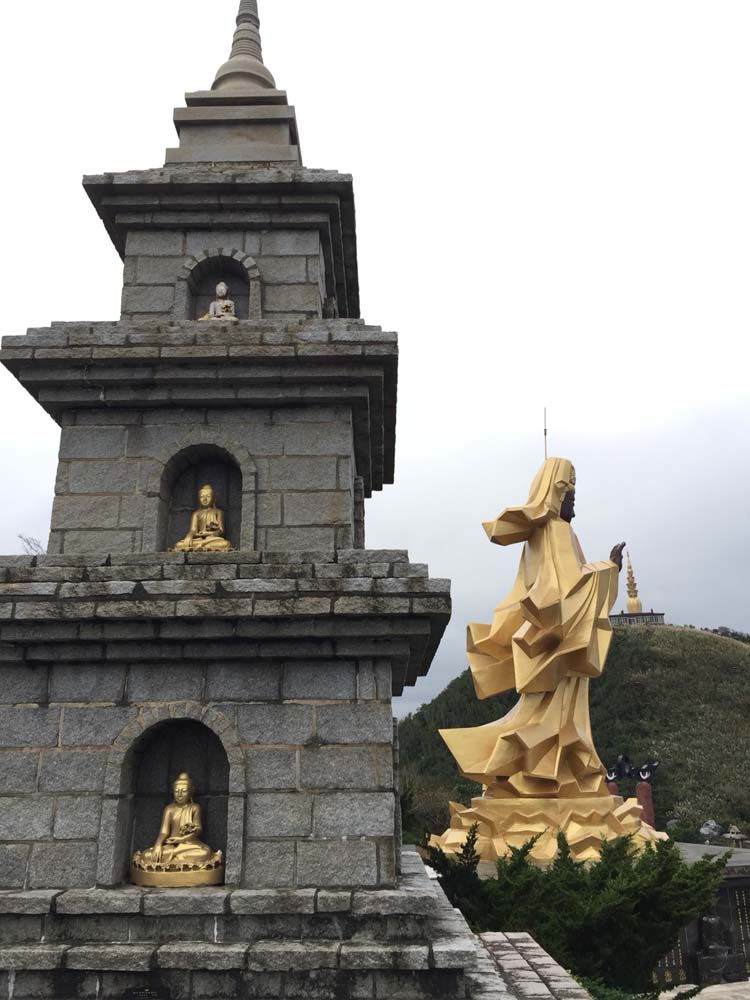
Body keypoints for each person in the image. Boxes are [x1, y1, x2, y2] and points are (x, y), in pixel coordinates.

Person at [133, 773, 220, 868]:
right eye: (176, 791)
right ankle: (178, 860)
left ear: (190, 792)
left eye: (184, 791)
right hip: (171, 845)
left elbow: (198, 829)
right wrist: (158, 844)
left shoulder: (195, 807)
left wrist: (182, 839)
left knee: (205, 852)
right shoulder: (169, 809)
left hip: (190, 844)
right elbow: (164, 832)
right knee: (146, 855)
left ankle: (173, 858)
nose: (180, 795)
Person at [172, 484, 233, 553]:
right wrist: (189, 536)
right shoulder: (196, 513)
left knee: (226, 544)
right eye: (202, 497)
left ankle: (202, 547)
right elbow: (193, 530)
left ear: (213, 499)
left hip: (212, 539)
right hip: (199, 539)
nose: (205, 499)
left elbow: (221, 531)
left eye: (208, 496)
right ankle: (204, 547)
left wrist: (207, 533)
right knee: (178, 545)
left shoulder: (218, 512)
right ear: (198, 499)